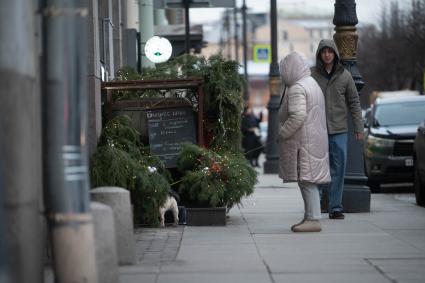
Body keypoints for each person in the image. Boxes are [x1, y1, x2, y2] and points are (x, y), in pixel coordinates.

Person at [278, 52, 331, 232]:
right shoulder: (311, 83)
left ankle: (313, 219)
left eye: (283, 71)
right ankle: (310, 216)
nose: (282, 75)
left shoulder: (297, 88)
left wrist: (283, 133)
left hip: (304, 142)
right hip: (312, 140)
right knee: (308, 180)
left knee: (307, 181)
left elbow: (298, 116)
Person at [311, 39, 364, 220]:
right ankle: (315, 205)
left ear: (335, 54)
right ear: (319, 54)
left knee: (338, 169)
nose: (327, 55)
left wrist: (359, 127)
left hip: (339, 130)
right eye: (324, 52)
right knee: (317, 169)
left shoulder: (345, 75)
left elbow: (354, 103)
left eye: (330, 52)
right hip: (316, 130)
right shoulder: (311, 75)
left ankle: (335, 207)